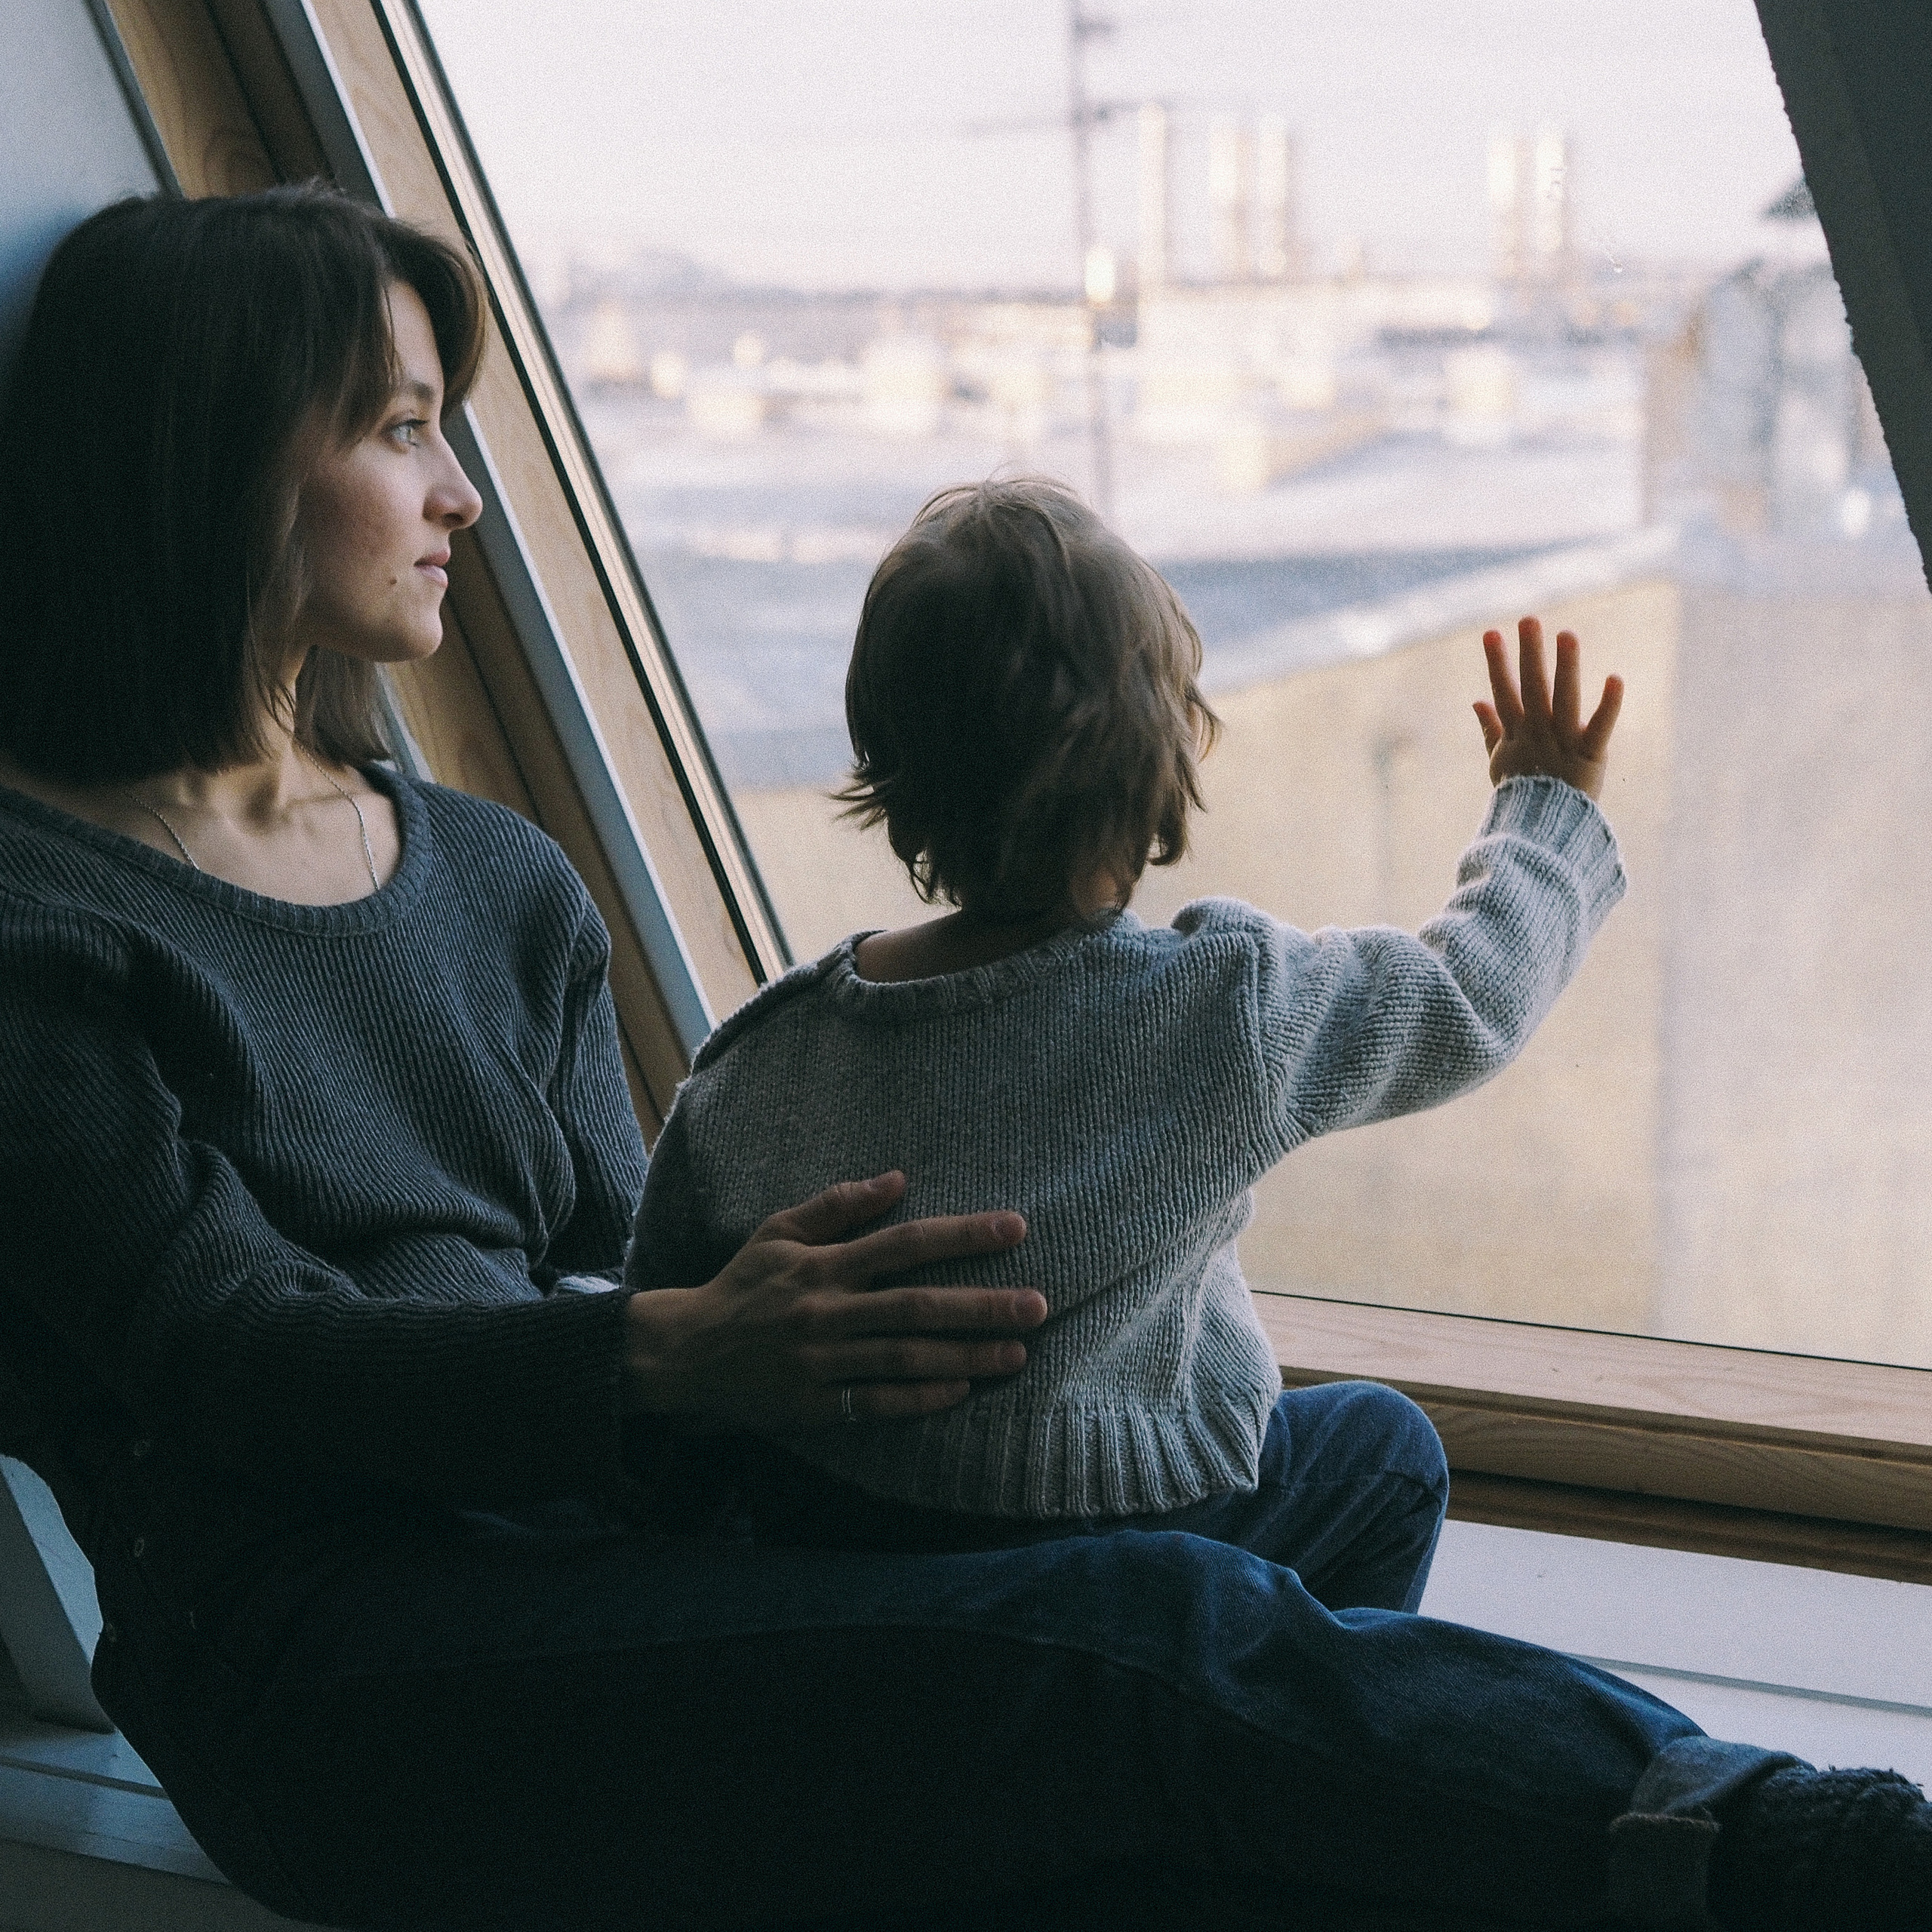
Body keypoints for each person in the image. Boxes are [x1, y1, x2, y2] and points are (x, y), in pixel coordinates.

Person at [0, 185, 1925, 1932]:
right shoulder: (44, 921)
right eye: (403, 427)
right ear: (227, 457)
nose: (464, 497)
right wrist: (682, 1352)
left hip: (614, 1554)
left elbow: (623, 1240)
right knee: (1135, 1630)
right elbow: (230, 1353)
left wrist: (805, 1393)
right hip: (348, 1666)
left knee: (1339, 1469)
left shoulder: (490, 871)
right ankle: (1788, 1853)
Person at [628, 480, 1621, 1548]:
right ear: (1165, 754)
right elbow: (1464, 998)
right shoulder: (1222, 1004)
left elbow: (669, 1319)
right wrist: (1541, 810)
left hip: (844, 1533)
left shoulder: (761, 1056)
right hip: (1142, 1527)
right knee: (1385, 1449)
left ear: (886, 759)